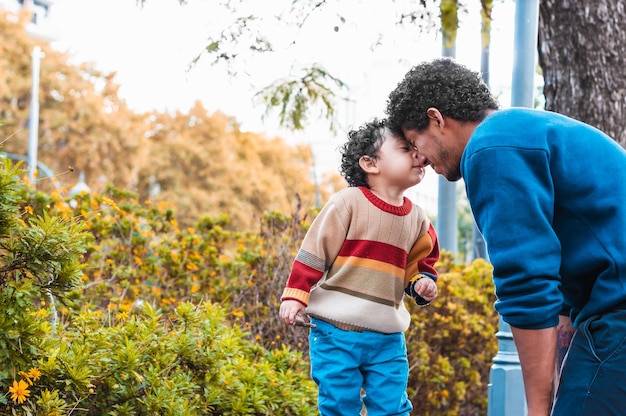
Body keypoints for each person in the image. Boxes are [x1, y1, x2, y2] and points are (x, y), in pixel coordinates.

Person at [385, 57, 626, 416]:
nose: (418, 158)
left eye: (413, 141)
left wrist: (538, 410)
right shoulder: (521, 130)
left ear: (436, 119)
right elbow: (555, 288)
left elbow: (526, 282)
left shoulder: (491, 147)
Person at [279, 118, 440, 416]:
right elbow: (315, 251)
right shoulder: (347, 203)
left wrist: (421, 284)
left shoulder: (419, 220)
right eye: (406, 149)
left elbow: (419, 265)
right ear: (370, 163)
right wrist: (295, 294)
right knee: (340, 406)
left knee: (392, 407)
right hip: (335, 331)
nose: (420, 156)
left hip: (388, 336)